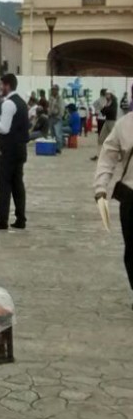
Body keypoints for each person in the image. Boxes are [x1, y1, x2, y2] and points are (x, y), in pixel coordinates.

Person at [94, 97, 133, 306]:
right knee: (132, 249)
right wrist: (101, 187)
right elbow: (107, 157)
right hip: (131, 196)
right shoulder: (124, 125)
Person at [0, 73, 29, 230]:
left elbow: (4, 128)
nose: (0, 88)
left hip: (8, 150)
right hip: (20, 149)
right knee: (18, 184)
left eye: (2, 85)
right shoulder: (22, 102)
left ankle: (2, 220)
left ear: (7, 85)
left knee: (4, 185)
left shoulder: (9, 103)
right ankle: (20, 219)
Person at [48, 85, 64, 154]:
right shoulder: (50, 98)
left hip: (57, 118)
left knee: (58, 134)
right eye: (52, 89)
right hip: (51, 117)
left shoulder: (60, 98)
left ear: (57, 90)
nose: (53, 91)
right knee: (52, 134)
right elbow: (49, 107)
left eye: (54, 90)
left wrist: (59, 116)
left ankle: (59, 148)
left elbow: (61, 109)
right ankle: (53, 148)